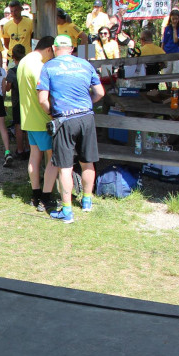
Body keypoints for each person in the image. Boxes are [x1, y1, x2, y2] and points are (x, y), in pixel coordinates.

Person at [37, 34, 104, 224]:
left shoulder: (49, 67)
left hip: (64, 119)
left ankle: (67, 211)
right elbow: (100, 92)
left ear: (54, 48)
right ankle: (87, 202)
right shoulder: (85, 64)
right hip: (86, 117)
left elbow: (42, 99)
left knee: (65, 166)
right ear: (72, 49)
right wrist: (86, 104)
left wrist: (52, 114)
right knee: (87, 161)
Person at [17, 36, 56, 210]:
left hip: (27, 118)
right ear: (49, 49)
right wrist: (51, 114)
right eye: (52, 53)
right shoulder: (40, 66)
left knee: (34, 156)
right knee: (52, 157)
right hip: (42, 119)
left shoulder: (24, 61)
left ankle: (35, 193)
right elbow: (44, 96)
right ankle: (47, 195)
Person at [5, 43, 27, 159]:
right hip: (27, 100)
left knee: (18, 125)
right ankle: (29, 147)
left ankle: (20, 149)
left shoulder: (13, 71)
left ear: (13, 57)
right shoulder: (28, 68)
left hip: (17, 100)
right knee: (28, 125)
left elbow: (8, 88)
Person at [162, 8, 179, 76]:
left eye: (177, 19)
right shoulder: (167, 28)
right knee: (167, 73)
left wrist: (174, 29)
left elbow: (176, 40)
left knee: (177, 73)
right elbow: (163, 41)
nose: (175, 21)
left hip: (176, 52)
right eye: (173, 19)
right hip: (167, 52)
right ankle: (169, 86)